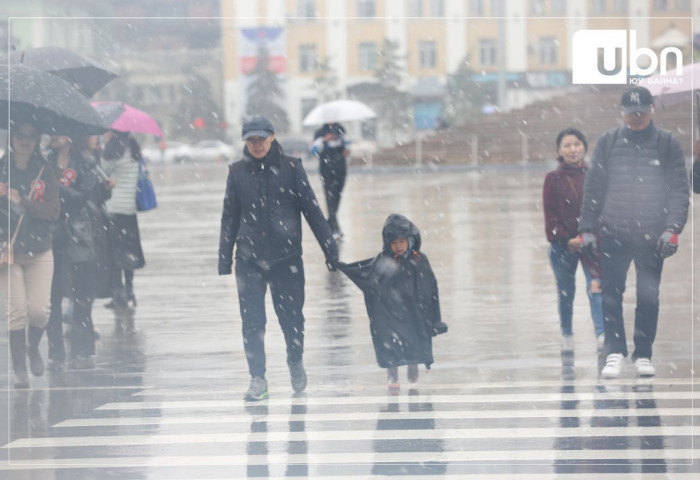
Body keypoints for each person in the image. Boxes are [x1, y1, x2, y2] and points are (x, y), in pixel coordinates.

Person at [219, 116, 339, 401]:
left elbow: (312, 211)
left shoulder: (291, 168)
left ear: (272, 137)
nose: (256, 145)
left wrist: (330, 250)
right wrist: (225, 258)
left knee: (292, 318)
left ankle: (294, 360)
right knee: (252, 322)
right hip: (249, 260)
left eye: (261, 139)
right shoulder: (236, 172)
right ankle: (257, 378)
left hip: (287, 259)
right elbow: (229, 217)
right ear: (245, 142)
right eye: (251, 140)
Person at [579, 86, 689, 378]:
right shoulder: (609, 141)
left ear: (653, 109)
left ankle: (643, 353)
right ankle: (615, 351)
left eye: (641, 112)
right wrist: (587, 229)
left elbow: (679, 190)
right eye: (631, 113)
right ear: (623, 113)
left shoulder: (667, 144)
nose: (636, 117)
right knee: (612, 294)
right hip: (614, 231)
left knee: (648, 296)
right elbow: (593, 189)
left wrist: (673, 229)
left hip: (652, 235)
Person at [338, 214, 447, 390]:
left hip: (413, 311)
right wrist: (343, 267)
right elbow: (366, 275)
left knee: (414, 339)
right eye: (394, 242)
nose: (398, 246)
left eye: (402, 242)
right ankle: (392, 372)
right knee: (389, 341)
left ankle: (413, 364)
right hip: (389, 312)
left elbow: (431, 288)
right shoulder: (383, 261)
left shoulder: (419, 260)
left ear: (409, 240)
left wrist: (434, 317)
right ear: (388, 243)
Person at [0, 121, 60, 388]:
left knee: (39, 311)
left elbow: (53, 211)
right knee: (17, 311)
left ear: (38, 141)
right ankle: (19, 370)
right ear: (12, 138)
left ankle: (33, 346)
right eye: (20, 135)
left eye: (31, 136)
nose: (25, 141)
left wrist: (23, 201)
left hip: (39, 249)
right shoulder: (2, 168)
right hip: (7, 250)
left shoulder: (45, 170)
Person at [47, 135, 114, 371]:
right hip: (49, 233)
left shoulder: (84, 163)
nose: (53, 137)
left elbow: (85, 197)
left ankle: (82, 349)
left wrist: (57, 189)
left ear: (69, 136)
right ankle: (55, 353)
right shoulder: (44, 161)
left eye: (58, 133)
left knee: (81, 295)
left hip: (78, 234)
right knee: (51, 299)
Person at [542, 128, 604, 354]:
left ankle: (602, 333)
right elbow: (551, 218)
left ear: (584, 147)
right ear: (559, 150)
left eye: (577, 144)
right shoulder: (553, 179)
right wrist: (568, 239)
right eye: (567, 145)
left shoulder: (595, 174)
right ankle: (566, 333)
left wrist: (589, 236)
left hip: (593, 242)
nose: (573, 149)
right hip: (562, 247)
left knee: (596, 286)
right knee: (566, 291)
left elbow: (602, 211)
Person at [102, 130, 145, 308]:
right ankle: (129, 290)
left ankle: (118, 293)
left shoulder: (112, 152)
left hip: (113, 209)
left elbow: (102, 172)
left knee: (114, 253)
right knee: (129, 253)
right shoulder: (134, 150)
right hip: (129, 209)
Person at [312, 122, 349, 239]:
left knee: (337, 195)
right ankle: (334, 228)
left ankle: (330, 224)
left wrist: (346, 150)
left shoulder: (342, 130)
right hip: (326, 168)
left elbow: (347, 146)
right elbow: (314, 150)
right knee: (330, 196)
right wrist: (324, 140)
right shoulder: (320, 133)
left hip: (340, 168)